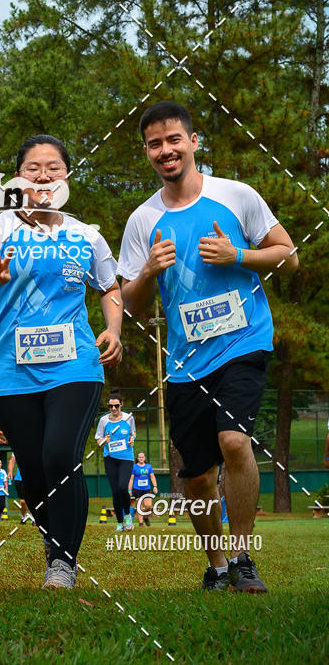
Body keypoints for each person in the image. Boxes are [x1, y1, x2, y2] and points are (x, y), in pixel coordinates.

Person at [119, 101, 299, 593]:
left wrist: (239, 255)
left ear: (194, 142)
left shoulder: (236, 195)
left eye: (173, 139)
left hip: (244, 340)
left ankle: (243, 557)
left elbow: (289, 256)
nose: (165, 150)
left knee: (235, 441)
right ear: (147, 154)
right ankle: (217, 565)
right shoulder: (142, 220)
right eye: (154, 144)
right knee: (196, 477)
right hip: (185, 362)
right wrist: (148, 273)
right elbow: (130, 306)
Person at [0, 134, 122, 589]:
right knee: (31, 469)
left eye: (54, 167)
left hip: (75, 365)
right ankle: (53, 549)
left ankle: (64, 564)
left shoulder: (85, 235)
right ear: (17, 177)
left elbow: (109, 287)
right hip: (10, 371)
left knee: (60, 454)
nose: (44, 175)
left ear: (67, 175)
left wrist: (114, 328)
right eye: (33, 168)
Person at [95, 390, 136, 531]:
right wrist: (104, 441)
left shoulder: (129, 418)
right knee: (115, 491)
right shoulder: (103, 420)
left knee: (122, 487)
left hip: (126, 458)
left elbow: (133, 434)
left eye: (116, 406)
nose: (113, 409)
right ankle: (119, 523)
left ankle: (128, 516)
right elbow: (98, 440)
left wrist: (132, 439)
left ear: (121, 405)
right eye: (110, 406)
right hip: (110, 459)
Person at [129, 451, 158, 526]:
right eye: (140, 457)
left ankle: (145, 517)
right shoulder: (134, 467)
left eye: (142, 457)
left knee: (148, 505)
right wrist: (129, 489)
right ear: (137, 458)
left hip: (146, 488)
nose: (141, 458)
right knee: (140, 506)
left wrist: (155, 486)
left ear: (144, 458)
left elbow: (152, 477)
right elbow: (131, 479)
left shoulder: (149, 466)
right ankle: (141, 523)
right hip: (137, 489)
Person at [8, 452, 33, 524]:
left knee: (32, 500)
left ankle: (33, 518)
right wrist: (10, 472)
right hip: (19, 479)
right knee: (23, 501)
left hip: (31, 479)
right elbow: (12, 460)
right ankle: (23, 517)